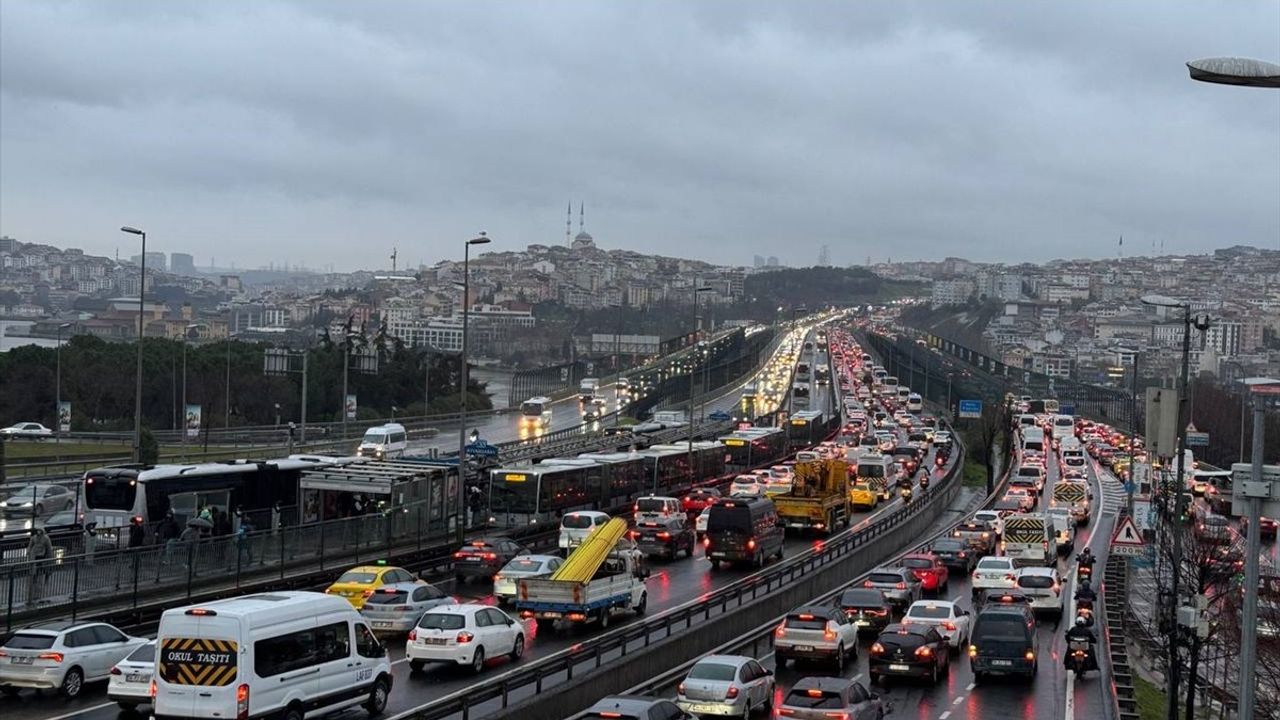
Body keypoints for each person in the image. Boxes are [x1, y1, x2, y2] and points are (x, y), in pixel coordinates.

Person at [27, 527, 54, 603]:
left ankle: (44, 578)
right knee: (35, 567)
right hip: (34, 554)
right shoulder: (34, 538)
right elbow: (30, 545)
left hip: (42, 555)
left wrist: (49, 556)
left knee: (43, 567)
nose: (38, 532)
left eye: (40, 531)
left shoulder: (46, 538)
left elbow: (49, 547)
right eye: (37, 531)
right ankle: (35, 578)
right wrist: (28, 551)